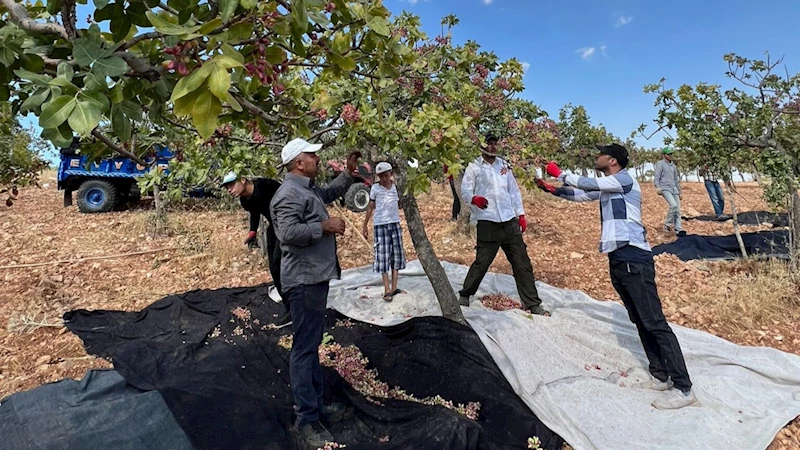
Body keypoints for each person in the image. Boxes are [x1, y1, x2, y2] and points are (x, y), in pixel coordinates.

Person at [536, 144, 697, 410]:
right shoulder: (609, 188)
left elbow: (586, 182)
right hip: (619, 258)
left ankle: (684, 387)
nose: (595, 157)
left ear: (612, 160)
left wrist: (560, 173)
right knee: (639, 319)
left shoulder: (624, 179)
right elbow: (581, 194)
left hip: (634, 257)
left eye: (600, 155)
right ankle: (660, 374)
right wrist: (553, 189)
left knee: (655, 322)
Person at [270, 137, 361, 448]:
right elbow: (287, 233)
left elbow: (329, 193)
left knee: (310, 345)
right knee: (304, 349)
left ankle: (317, 406)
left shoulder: (306, 189)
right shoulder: (288, 194)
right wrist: (325, 226)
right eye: (312, 155)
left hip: (314, 278)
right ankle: (307, 419)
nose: (316, 159)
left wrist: (348, 175)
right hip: (303, 281)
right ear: (299, 162)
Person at [458, 133, 549, 316]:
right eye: (489, 143)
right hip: (488, 221)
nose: (492, 146)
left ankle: (532, 303)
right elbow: (465, 190)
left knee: (522, 263)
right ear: (482, 145)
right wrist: (473, 198)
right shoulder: (474, 167)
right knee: (482, 262)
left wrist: (520, 214)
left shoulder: (504, 166)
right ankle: (465, 294)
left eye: (494, 143)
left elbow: (514, 191)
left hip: (509, 221)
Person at [221, 172, 291, 326]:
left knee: (282, 263)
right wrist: (252, 233)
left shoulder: (265, 185)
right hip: (274, 226)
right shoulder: (245, 200)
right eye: (227, 188)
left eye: (232, 185)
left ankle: (299, 305)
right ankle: (289, 307)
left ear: (243, 180)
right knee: (274, 266)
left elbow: (288, 196)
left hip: (289, 224)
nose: (229, 190)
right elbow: (255, 214)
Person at [362, 162, 406, 301]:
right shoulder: (375, 188)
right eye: (381, 176)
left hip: (394, 223)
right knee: (382, 255)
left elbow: (400, 204)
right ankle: (386, 288)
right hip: (380, 225)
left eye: (386, 175)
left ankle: (394, 287)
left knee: (396, 255)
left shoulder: (396, 188)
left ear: (391, 174)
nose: (384, 179)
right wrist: (365, 225)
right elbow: (370, 207)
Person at [654, 147, 686, 236]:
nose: (671, 155)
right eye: (669, 154)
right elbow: (657, 177)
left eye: (671, 154)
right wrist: (657, 187)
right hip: (665, 188)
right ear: (664, 155)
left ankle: (678, 229)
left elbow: (676, 179)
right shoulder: (660, 164)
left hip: (674, 189)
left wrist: (680, 192)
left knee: (678, 210)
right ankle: (667, 225)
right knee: (673, 205)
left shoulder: (673, 166)